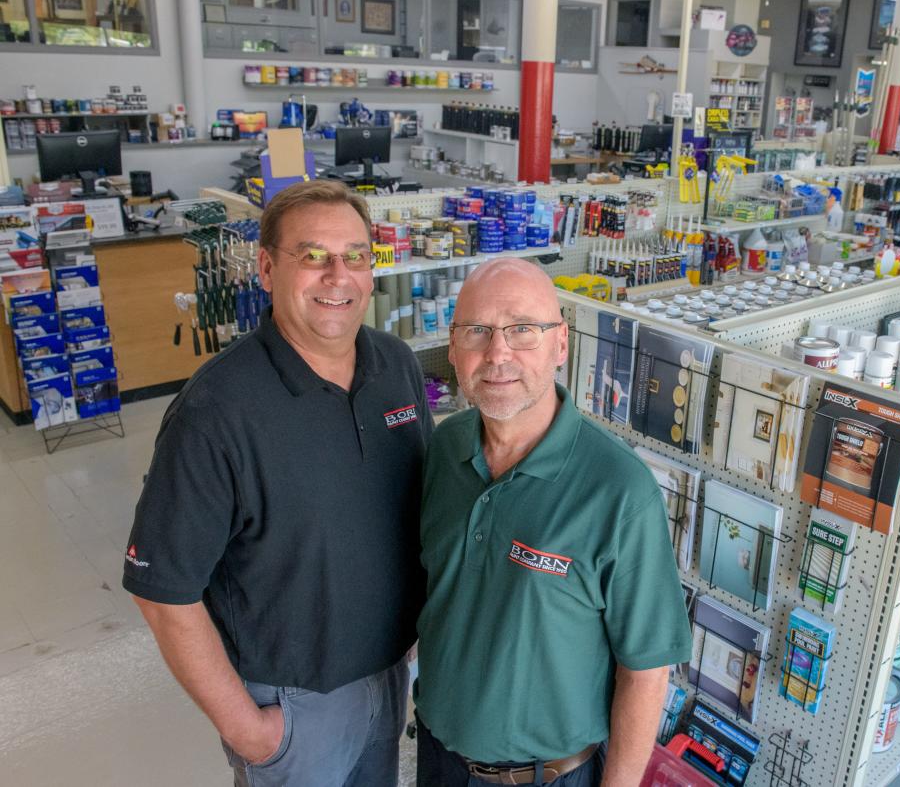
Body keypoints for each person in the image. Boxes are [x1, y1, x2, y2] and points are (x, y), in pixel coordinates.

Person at [123, 180, 434, 786]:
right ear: (266, 269)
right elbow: (162, 593)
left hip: (390, 677)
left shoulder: (395, 366)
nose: (337, 275)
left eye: (355, 256)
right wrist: (249, 731)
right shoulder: (216, 410)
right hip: (290, 706)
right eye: (312, 255)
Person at [415, 259, 692, 787]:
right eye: (477, 331)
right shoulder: (446, 446)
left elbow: (647, 671)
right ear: (453, 347)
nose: (497, 354)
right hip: (437, 758)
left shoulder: (620, 490)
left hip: (547, 777)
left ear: (560, 345)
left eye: (523, 329)